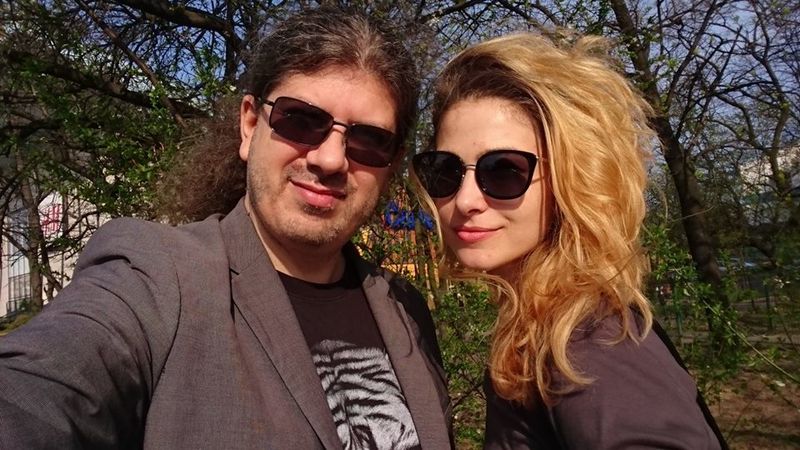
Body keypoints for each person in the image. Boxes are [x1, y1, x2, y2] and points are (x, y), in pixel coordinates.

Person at [0, 7, 452, 449]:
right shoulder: (156, 277)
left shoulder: (405, 309)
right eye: (301, 120)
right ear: (250, 125)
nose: (330, 159)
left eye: (369, 140)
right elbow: (37, 393)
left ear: (392, 165)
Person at [412, 33, 727, 449]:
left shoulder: (588, 342)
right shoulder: (541, 325)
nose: (465, 200)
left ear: (571, 180)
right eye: (446, 170)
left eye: (503, 170)